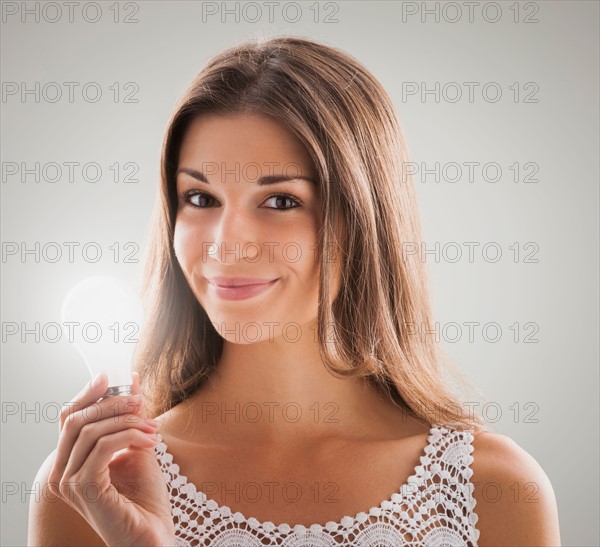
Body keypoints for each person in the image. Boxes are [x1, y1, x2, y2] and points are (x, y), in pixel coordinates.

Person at [28, 35, 561, 546]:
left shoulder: (494, 488)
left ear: (364, 221)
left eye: (280, 201)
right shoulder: (91, 486)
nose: (226, 246)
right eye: (200, 198)